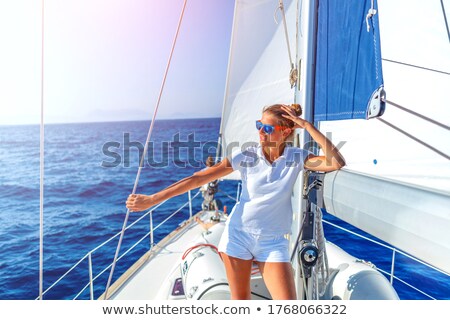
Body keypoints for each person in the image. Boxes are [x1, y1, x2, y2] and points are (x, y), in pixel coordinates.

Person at [126, 104, 345, 300]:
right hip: (238, 237)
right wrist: (153, 199)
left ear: (285, 131)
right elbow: (199, 179)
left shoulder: (297, 157)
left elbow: (336, 161)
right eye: (259, 125)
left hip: (272, 242)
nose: (260, 131)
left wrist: (307, 126)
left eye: (267, 128)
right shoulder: (247, 155)